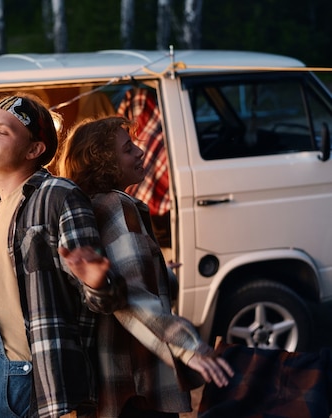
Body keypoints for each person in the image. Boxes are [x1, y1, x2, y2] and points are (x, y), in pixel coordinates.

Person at [0, 93, 125, 417]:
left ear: (34, 150)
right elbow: (4, 312)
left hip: (17, 379)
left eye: (3, 132)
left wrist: (99, 282)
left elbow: (104, 300)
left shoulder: (59, 196)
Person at [58, 116, 234, 418]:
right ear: (103, 162)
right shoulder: (117, 205)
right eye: (128, 149)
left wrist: (160, 272)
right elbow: (135, 299)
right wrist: (189, 347)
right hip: (138, 383)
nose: (140, 152)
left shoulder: (90, 207)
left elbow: (122, 284)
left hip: (110, 384)